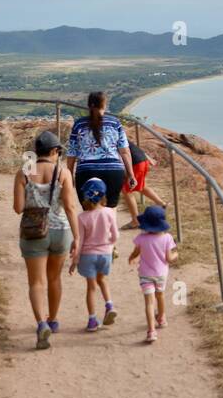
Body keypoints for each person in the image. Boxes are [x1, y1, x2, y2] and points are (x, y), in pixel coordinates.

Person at [14, 130, 80, 350]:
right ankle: (53, 319)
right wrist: (77, 237)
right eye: (58, 152)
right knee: (54, 279)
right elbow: (70, 207)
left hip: (33, 232)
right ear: (54, 151)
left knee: (36, 282)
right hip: (60, 231)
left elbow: (18, 208)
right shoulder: (63, 172)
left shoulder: (24, 172)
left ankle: (41, 323)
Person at [66, 90, 134, 203]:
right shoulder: (115, 123)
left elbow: (72, 153)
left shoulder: (79, 124)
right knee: (110, 212)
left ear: (89, 105)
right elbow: (125, 151)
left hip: (86, 171)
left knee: (89, 212)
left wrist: (69, 175)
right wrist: (131, 174)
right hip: (113, 171)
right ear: (104, 105)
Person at [70, 177, 118, 332]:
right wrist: (109, 244)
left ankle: (92, 320)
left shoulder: (82, 217)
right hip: (105, 254)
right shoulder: (110, 212)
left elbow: (80, 240)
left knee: (91, 288)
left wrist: (74, 260)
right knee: (102, 280)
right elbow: (115, 235)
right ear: (103, 195)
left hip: (88, 255)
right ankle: (109, 305)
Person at [127, 205, 177, 344]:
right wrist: (176, 254)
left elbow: (136, 251)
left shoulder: (141, 238)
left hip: (145, 274)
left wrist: (132, 257)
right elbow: (169, 258)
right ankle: (161, 318)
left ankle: (151, 331)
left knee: (149, 302)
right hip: (161, 274)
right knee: (160, 296)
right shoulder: (167, 238)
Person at [120, 139, 168, 228]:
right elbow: (134, 148)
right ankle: (161, 203)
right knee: (141, 186)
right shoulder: (118, 133)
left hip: (135, 164)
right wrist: (148, 158)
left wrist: (127, 173)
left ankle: (135, 220)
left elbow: (122, 154)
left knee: (126, 190)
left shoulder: (109, 137)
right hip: (143, 161)